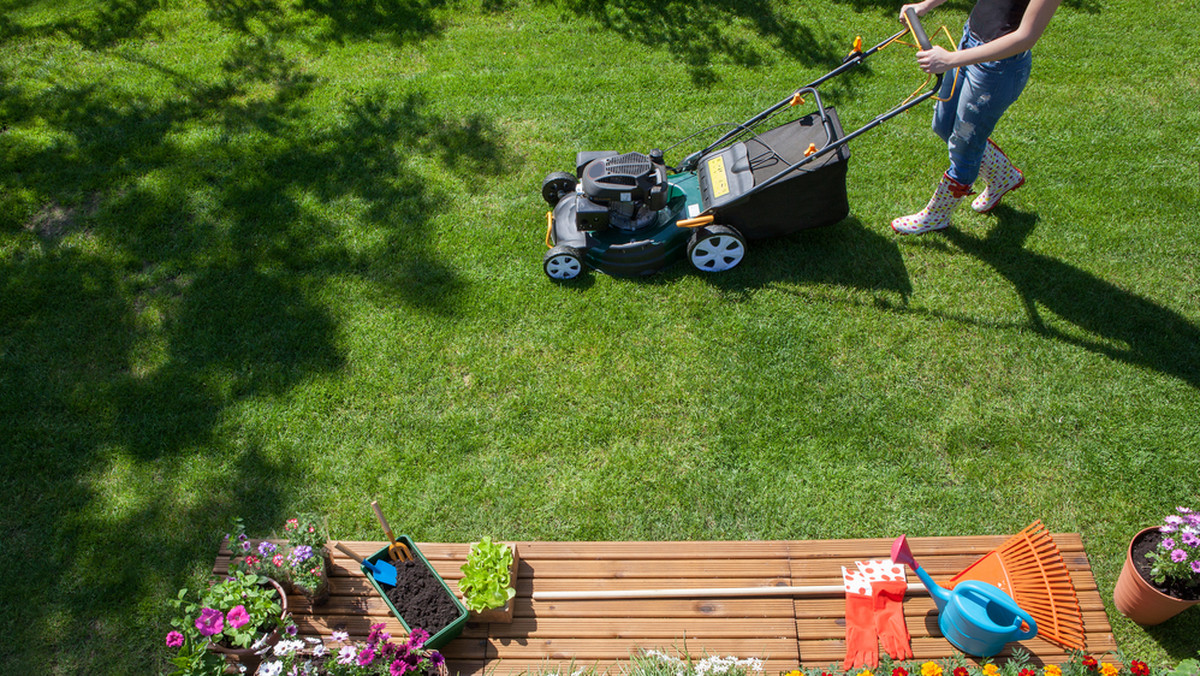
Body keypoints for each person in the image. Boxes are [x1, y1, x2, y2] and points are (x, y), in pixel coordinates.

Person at [891, 0, 1062, 235]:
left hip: (998, 68)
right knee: (943, 125)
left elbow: (1026, 37)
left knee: (964, 145)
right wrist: (924, 6)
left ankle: (937, 216)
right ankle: (1003, 176)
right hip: (968, 41)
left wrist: (950, 60)